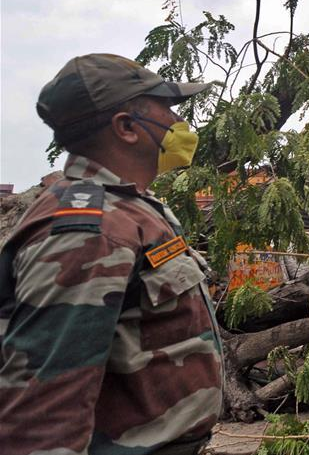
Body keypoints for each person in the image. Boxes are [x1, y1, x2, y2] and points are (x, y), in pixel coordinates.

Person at [0, 54, 224, 455]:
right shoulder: (91, 230)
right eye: (167, 109)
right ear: (126, 127)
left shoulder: (130, 208)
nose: (179, 123)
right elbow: (42, 413)